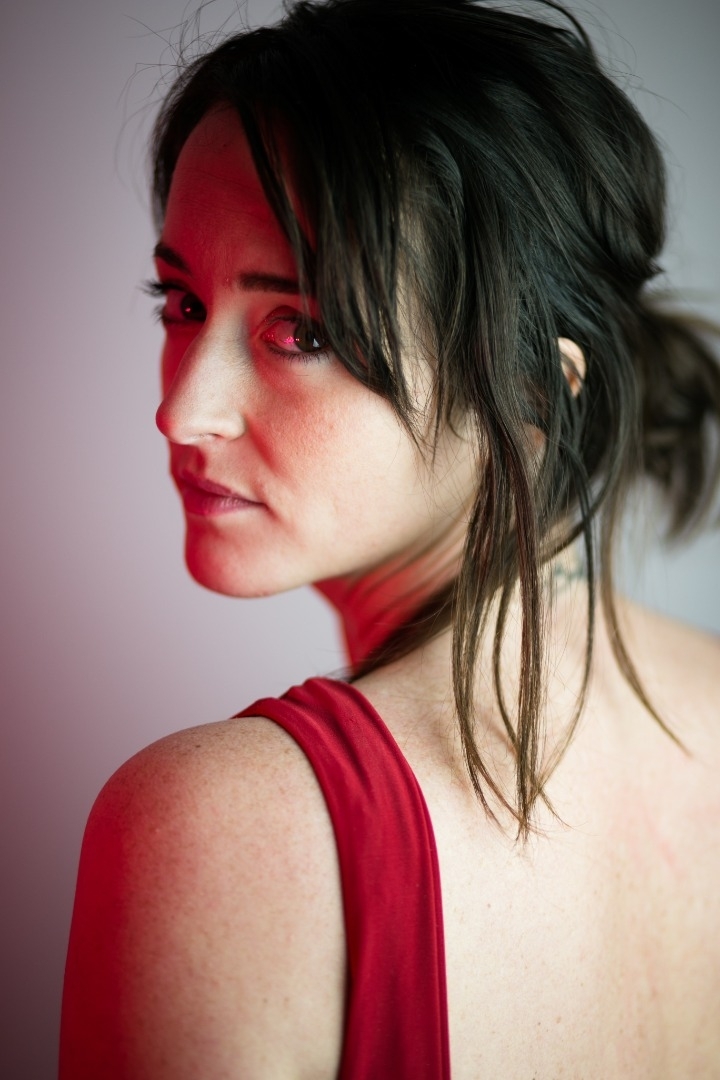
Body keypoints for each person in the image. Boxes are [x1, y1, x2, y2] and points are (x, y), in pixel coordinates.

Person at [60, 0, 720, 1075]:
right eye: (181, 303)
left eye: (299, 330)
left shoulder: (224, 832)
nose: (181, 413)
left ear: (531, 388)